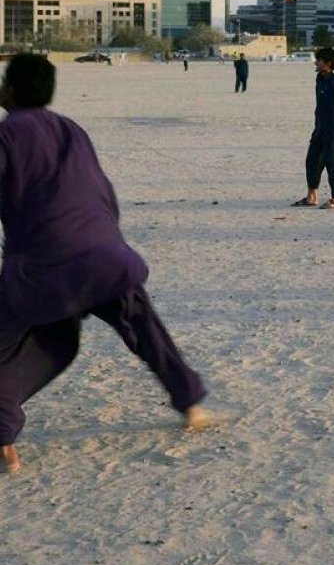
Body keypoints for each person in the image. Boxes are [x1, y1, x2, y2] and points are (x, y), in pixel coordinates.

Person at [0, 54, 208, 473]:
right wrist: (105, 239)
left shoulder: (6, 135)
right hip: (105, 255)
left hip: (43, 269)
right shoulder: (71, 129)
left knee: (21, 343)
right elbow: (101, 190)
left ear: (11, 91)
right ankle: (190, 405)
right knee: (146, 330)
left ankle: (5, 444)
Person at [294, 47, 334, 208]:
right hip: (320, 127)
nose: (316, 63)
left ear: (328, 63)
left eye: (319, 61)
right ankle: (311, 196)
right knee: (312, 161)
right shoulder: (319, 79)